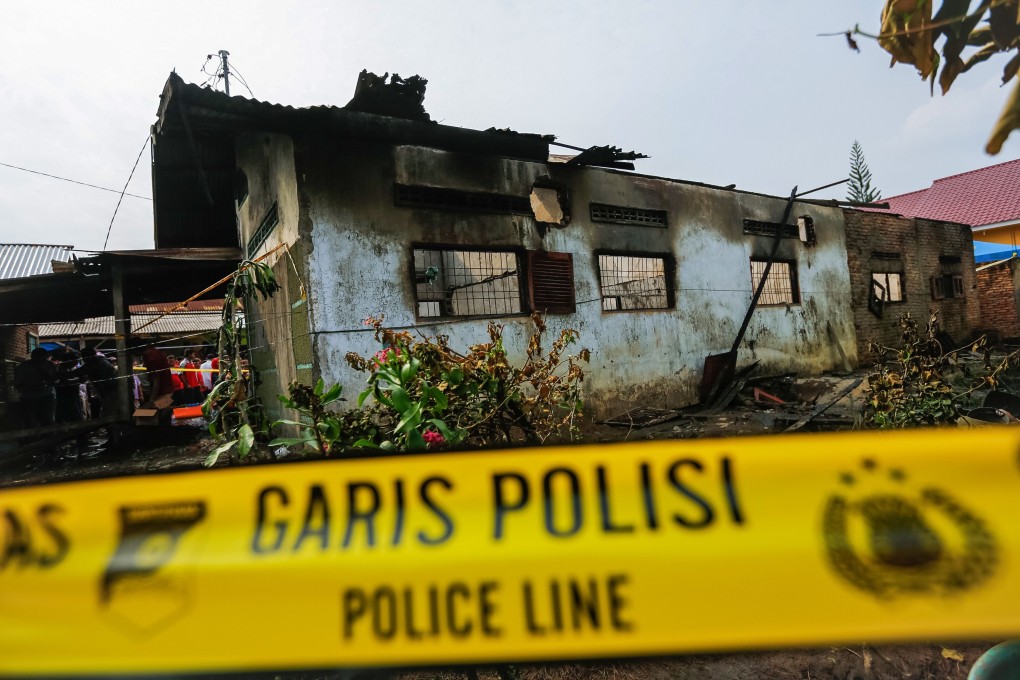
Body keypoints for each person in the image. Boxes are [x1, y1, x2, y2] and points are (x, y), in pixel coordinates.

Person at [13, 348, 57, 428]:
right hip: (29, 398)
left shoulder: (50, 365)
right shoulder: (24, 367)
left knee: (47, 420)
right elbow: (18, 383)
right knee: (31, 421)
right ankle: (33, 438)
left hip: (46, 396)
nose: (41, 360)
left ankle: (48, 438)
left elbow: (55, 379)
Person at [76, 347, 118, 418]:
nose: (83, 358)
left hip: (110, 390)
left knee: (109, 413)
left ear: (87, 356)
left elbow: (79, 372)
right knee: (108, 411)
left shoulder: (94, 362)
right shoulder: (100, 361)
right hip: (108, 391)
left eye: (83, 356)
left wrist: (59, 375)